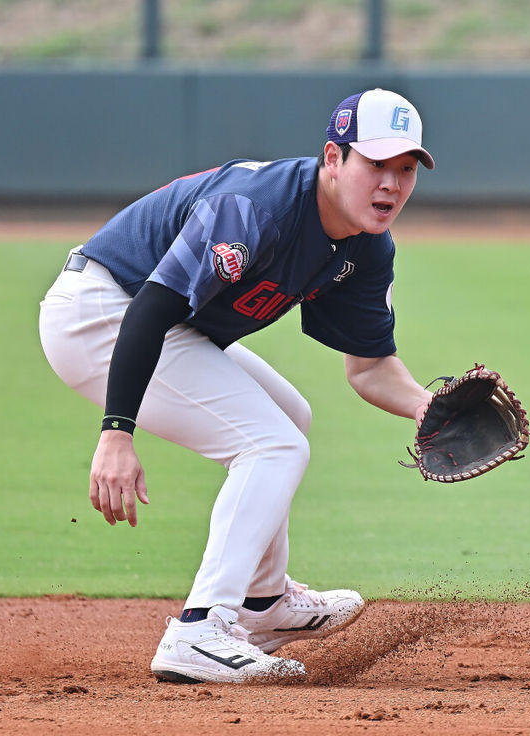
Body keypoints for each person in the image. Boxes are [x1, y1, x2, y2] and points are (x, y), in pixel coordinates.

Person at [38, 88, 436, 684]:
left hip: (154, 322)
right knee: (272, 445)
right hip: (100, 313)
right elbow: (150, 307)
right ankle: (200, 628)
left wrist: (427, 407)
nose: (391, 184)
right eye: (375, 164)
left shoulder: (367, 248)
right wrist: (116, 433)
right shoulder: (256, 209)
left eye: (405, 170)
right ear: (334, 157)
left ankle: (262, 602)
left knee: (289, 415)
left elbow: (371, 368)